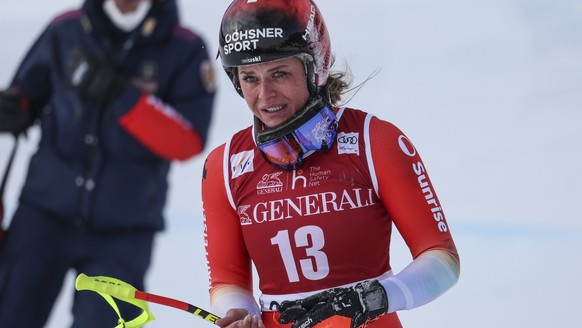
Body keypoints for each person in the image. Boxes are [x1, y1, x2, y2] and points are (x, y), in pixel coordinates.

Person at [202, 1, 460, 327]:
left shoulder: (374, 141)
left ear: (315, 68)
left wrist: (376, 296)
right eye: (250, 78)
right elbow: (229, 282)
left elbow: (443, 260)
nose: (264, 95)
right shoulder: (224, 165)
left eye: (280, 73)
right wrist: (240, 312)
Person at [0, 0, 215, 327]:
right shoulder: (66, 29)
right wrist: (15, 108)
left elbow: (187, 141)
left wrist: (120, 95)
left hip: (124, 232)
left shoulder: (183, 47)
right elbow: (26, 94)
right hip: (42, 217)